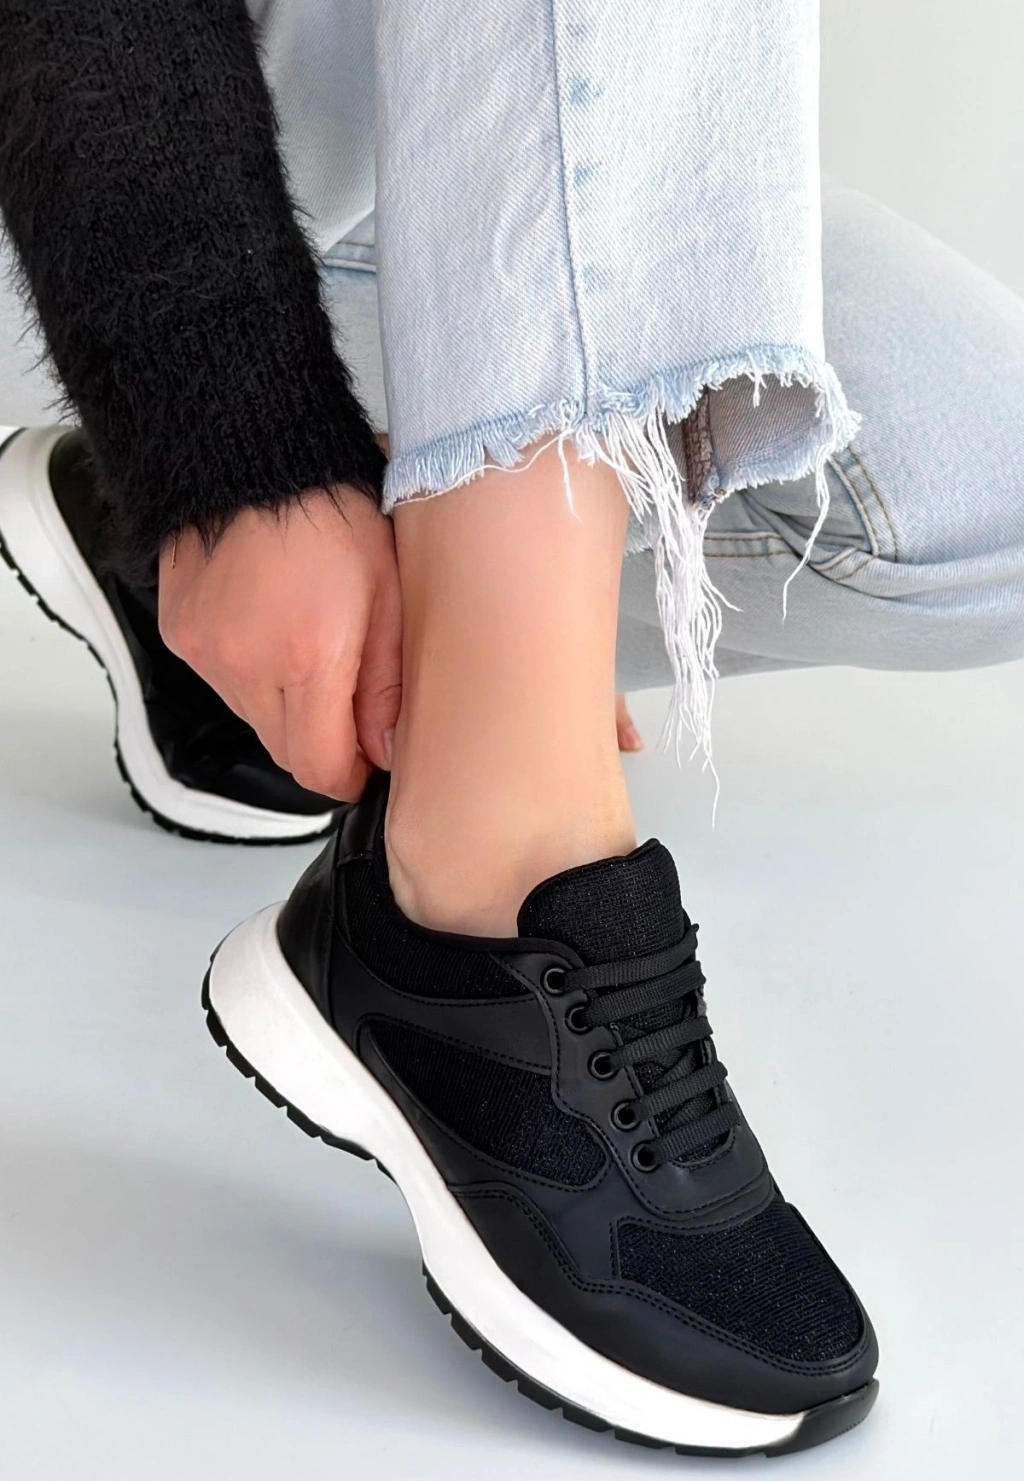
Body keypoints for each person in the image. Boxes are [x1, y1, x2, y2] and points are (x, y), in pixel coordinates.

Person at [2, 0, 1022, 1457]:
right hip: (81, 136)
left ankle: (333, 642)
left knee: (981, 501)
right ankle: (489, 866)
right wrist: (220, 443)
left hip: (388, 105)